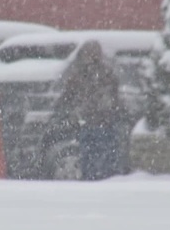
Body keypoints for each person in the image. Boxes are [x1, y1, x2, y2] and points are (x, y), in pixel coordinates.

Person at [38, 40, 128, 180]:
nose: (91, 56)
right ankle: (99, 179)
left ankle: (101, 179)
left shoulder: (100, 75)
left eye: (93, 53)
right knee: (94, 156)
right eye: (89, 53)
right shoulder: (85, 76)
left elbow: (114, 98)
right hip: (92, 123)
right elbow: (67, 98)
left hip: (99, 123)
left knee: (101, 156)